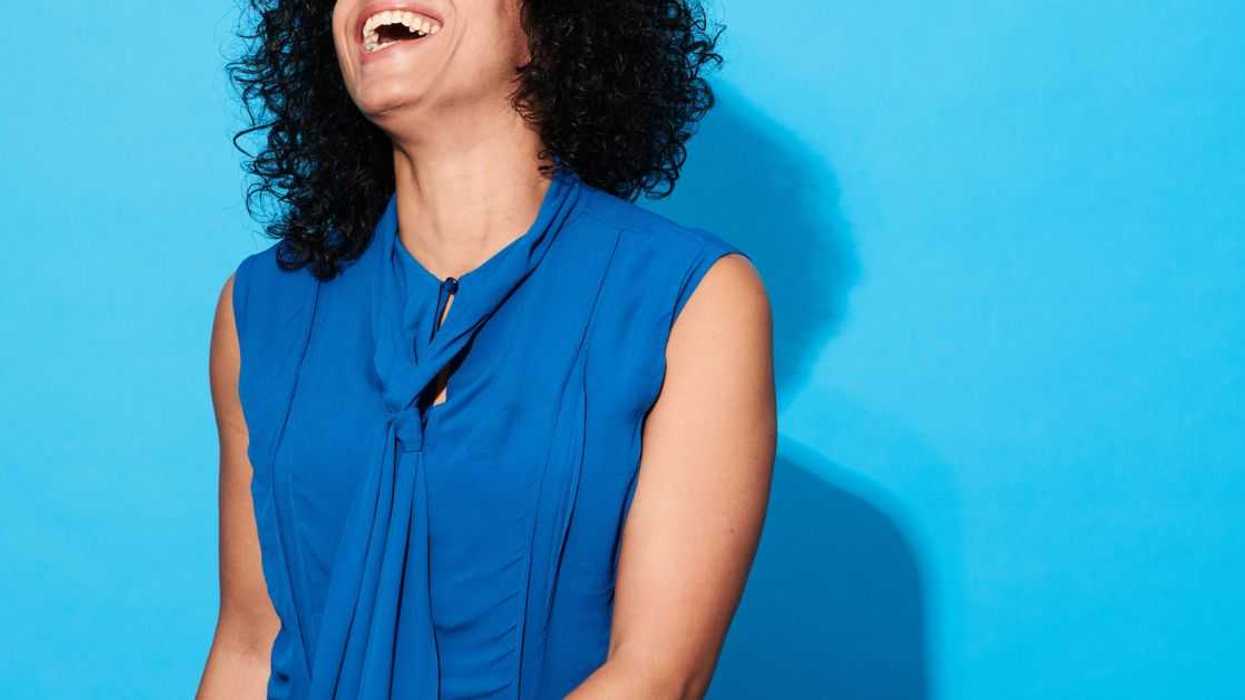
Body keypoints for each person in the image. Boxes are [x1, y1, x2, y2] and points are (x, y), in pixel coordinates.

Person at [197, 0, 775, 697]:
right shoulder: (259, 305)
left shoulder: (693, 298)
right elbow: (250, 646)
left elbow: (655, 675)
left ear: (548, 29)